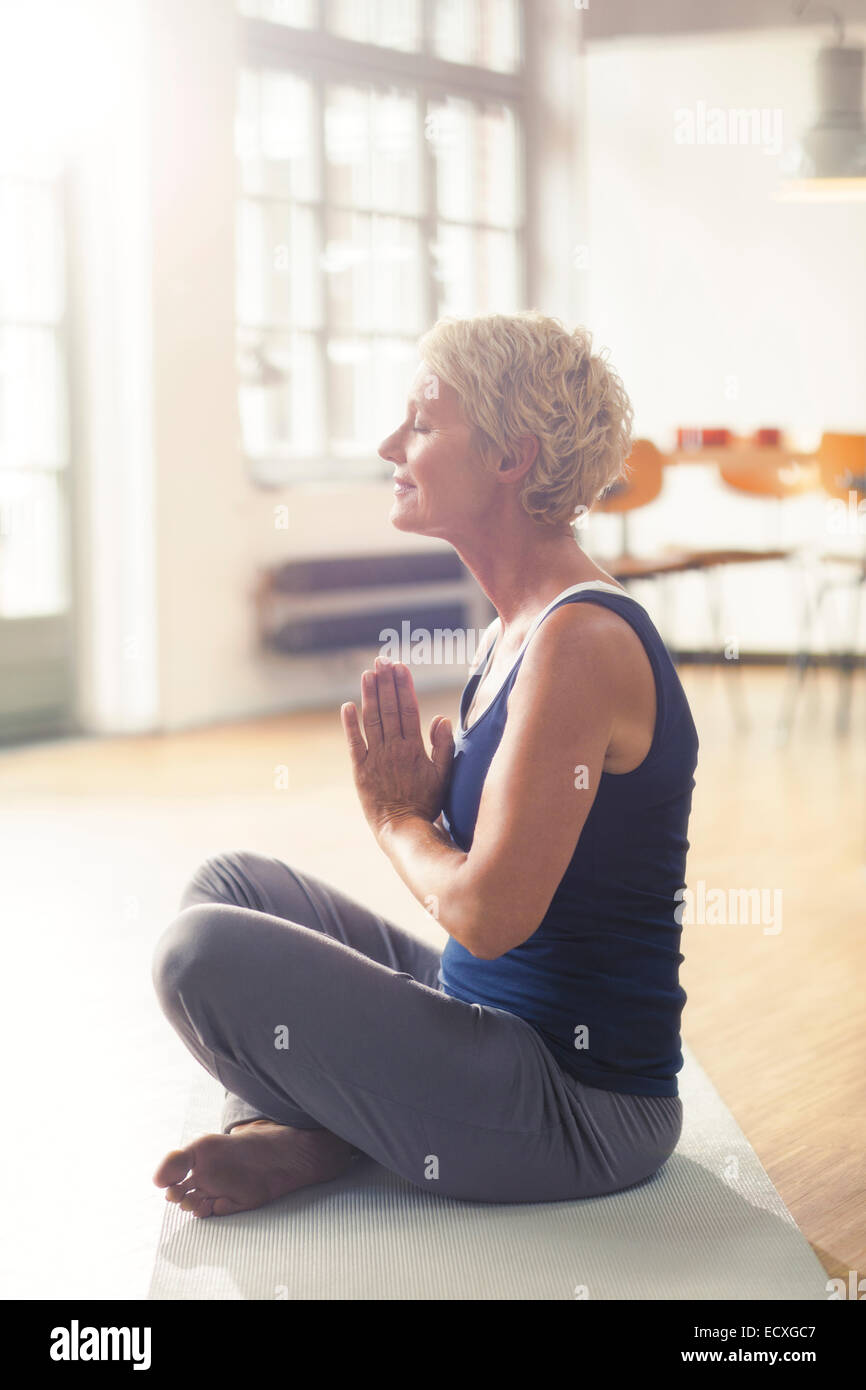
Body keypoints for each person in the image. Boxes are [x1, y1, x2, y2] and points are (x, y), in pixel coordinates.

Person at [152, 310, 698, 1218]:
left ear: (510, 458)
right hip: (480, 1018)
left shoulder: (582, 641)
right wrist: (447, 815)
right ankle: (322, 1129)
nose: (386, 444)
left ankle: (320, 1130)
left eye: (421, 424)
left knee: (197, 954)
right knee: (228, 886)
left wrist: (398, 821)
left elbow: (487, 914)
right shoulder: (514, 631)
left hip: (576, 1106)